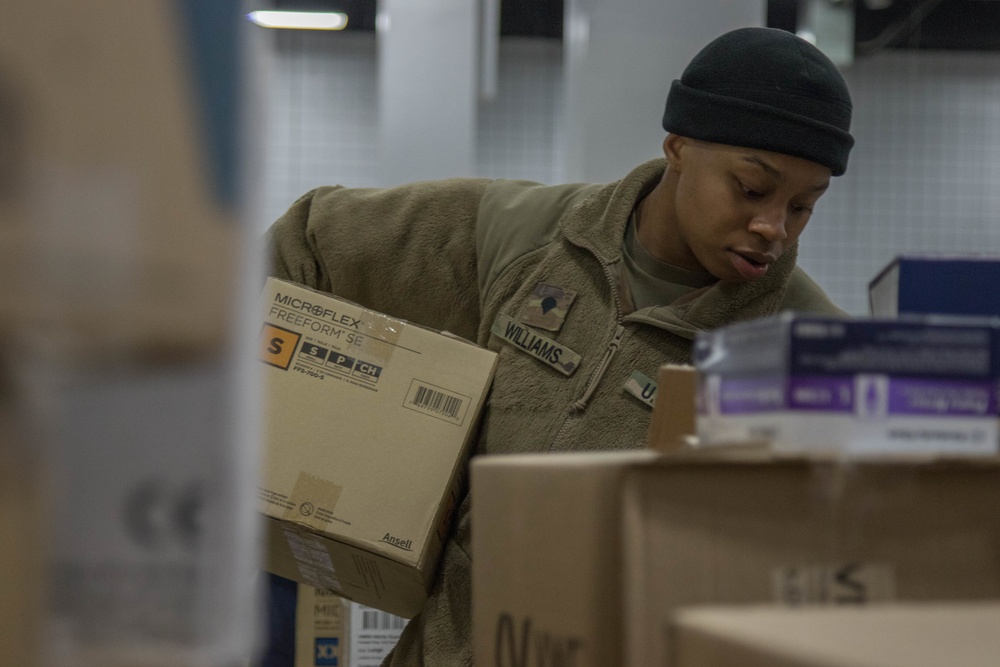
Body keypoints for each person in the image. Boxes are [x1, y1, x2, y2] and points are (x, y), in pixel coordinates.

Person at [265, 26, 854, 666]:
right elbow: (306, 245)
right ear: (679, 147)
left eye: (804, 205)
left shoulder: (806, 351)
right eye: (751, 188)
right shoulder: (525, 238)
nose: (774, 227)